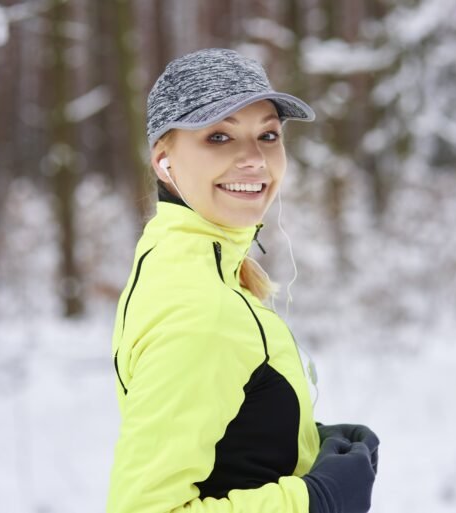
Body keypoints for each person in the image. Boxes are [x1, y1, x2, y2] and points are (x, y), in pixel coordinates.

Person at [107, 48, 379, 513]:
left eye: (268, 134)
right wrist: (316, 500)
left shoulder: (184, 262)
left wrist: (305, 446)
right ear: (164, 160)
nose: (254, 159)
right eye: (219, 137)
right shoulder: (199, 306)